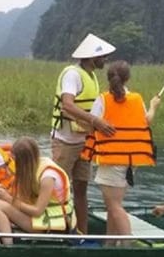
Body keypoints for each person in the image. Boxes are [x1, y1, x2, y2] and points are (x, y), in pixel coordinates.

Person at [84, 60, 160, 244]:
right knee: (113, 206)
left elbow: (90, 123)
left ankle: (127, 243)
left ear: (109, 78)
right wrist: (153, 105)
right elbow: (146, 120)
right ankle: (110, 243)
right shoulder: (137, 98)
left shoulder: (103, 99)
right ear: (127, 79)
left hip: (111, 160)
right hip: (130, 160)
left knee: (114, 206)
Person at [50, 33, 117, 234]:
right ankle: (54, 230)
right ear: (90, 57)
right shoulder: (73, 74)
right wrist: (96, 121)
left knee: (81, 189)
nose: (105, 60)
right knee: (57, 187)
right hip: (65, 141)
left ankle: (82, 232)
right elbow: (67, 105)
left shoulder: (92, 76)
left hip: (84, 141)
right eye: (102, 56)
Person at [0, 137, 76, 245]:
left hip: (52, 224)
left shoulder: (48, 177)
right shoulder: (34, 167)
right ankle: (8, 237)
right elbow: (25, 198)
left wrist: (8, 198)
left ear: (23, 161)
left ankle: (8, 246)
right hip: (39, 218)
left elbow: (37, 211)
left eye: (15, 160)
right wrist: (7, 193)